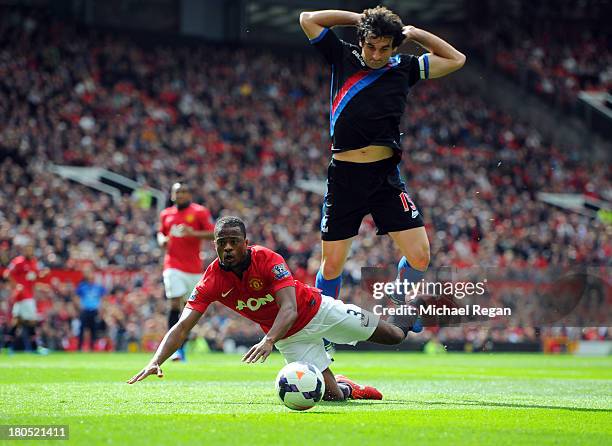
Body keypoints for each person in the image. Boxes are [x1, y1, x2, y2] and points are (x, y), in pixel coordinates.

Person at [128, 216, 421, 401]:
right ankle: (344, 385)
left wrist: (268, 340)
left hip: (318, 312)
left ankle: (415, 303)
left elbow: (289, 308)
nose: (228, 248)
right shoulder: (211, 280)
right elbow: (181, 326)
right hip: (288, 338)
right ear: (215, 246)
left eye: (233, 242)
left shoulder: (267, 259)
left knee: (395, 335)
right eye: (222, 243)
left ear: (246, 243)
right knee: (332, 398)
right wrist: (156, 360)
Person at [299, 8, 465, 315]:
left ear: (394, 47)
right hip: (345, 178)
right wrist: (360, 19)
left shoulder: (405, 67)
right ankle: (322, 334)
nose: (376, 54)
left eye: (384, 48)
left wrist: (416, 34)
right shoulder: (341, 56)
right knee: (332, 265)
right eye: (371, 45)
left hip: (384, 177)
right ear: (361, 41)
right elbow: (307, 18)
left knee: (420, 257)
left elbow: (456, 59)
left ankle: (397, 299)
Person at [158, 181, 215, 361]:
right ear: (172, 195)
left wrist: (193, 233)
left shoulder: (199, 212)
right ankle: (173, 350)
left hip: (193, 269)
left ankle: (180, 347)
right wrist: (162, 240)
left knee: (188, 310)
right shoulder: (166, 214)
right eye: (177, 192)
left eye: (184, 192)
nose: (180, 195)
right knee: (174, 303)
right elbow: (161, 233)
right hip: (172, 265)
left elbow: (213, 233)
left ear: (189, 195)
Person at [3, 240, 47, 352]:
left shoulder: (33, 262)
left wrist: (43, 274)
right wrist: (16, 286)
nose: (29, 251)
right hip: (24, 296)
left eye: (31, 249)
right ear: (23, 250)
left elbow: (34, 277)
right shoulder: (18, 261)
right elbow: (7, 274)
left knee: (16, 321)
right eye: (27, 249)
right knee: (32, 321)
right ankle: (36, 347)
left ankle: (7, 346)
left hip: (27, 295)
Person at [76, 266, 107, 351]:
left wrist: (101, 310)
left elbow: (103, 299)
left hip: (94, 311)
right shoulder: (82, 286)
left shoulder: (98, 287)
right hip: (85, 310)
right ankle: (79, 347)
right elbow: (77, 297)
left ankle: (92, 347)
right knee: (82, 328)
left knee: (94, 329)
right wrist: (80, 306)